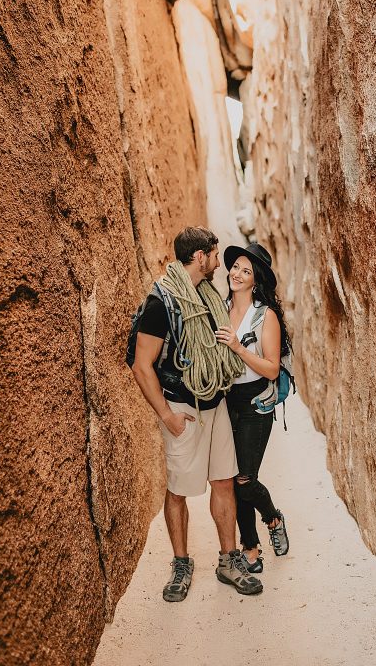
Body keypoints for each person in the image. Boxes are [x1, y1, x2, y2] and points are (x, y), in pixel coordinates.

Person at [130, 226, 263, 601]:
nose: (219, 263)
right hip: (182, 411)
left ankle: (228, 559)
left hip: (215, 405)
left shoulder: (206, 295)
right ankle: (181, 564)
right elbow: (142, 366)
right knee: (178, 491)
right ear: (200, 256)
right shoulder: (161, 303)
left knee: (223, 481)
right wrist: (167, 416)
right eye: (215, 255)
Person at [215, 241, 291, 572]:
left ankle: (273, 518)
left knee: (245, 479)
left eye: (246, 270)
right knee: (232, 479)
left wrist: (237, 347)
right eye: (235, 267)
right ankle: (250, 548)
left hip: (256, 403)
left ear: (255, 279)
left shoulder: (266, 316)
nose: (237, 274)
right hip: (226, 400)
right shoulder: (219, 308)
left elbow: (272, 368)